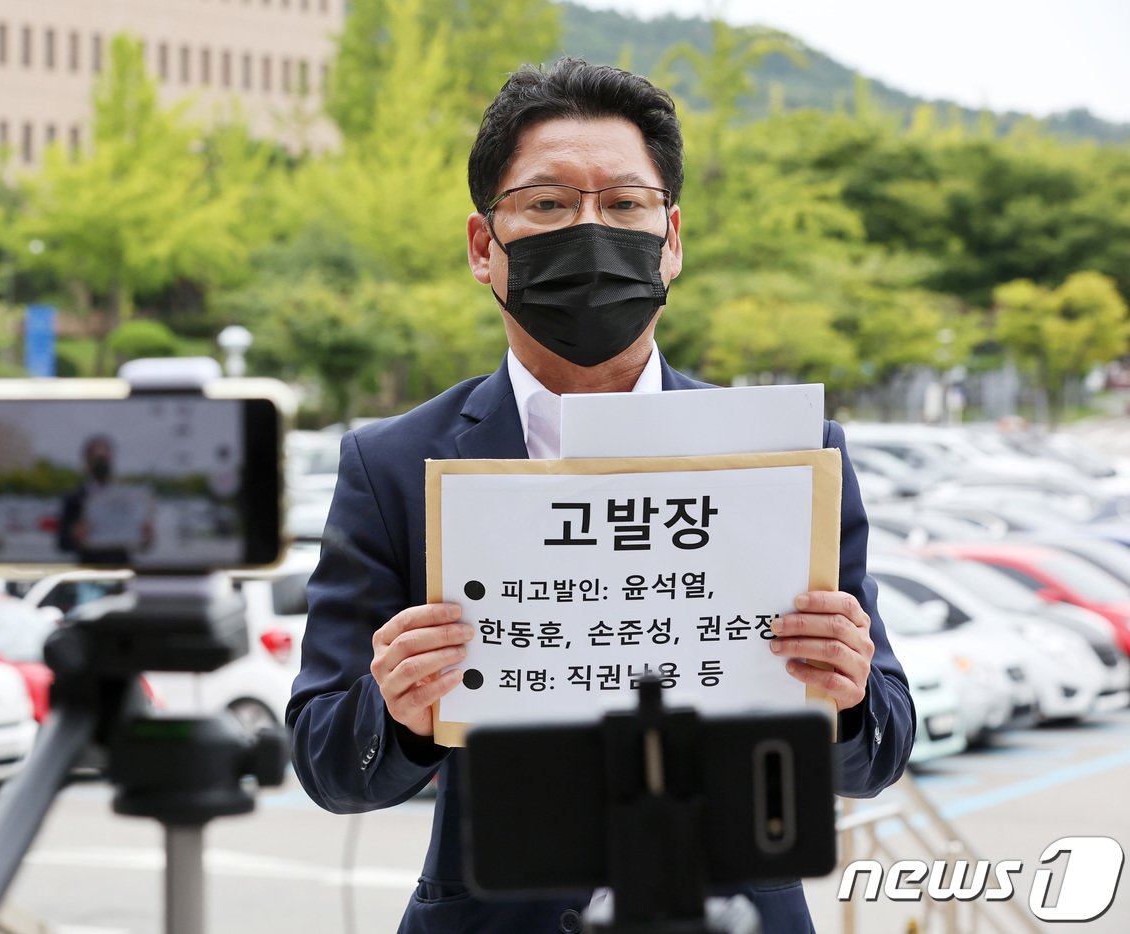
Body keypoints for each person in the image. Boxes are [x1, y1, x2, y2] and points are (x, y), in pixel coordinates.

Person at [287, 58, 914, 934]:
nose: (590, 232)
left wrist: (846, 694)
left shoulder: (786, 456)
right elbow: (327, 762)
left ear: (673, 238)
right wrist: (397, 715)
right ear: (483, 247)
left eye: (624, 205)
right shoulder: (393, 465)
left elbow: (878, 750)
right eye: (548, 204)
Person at [56, 434, 152, 564]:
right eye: (98, 459)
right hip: (89, 570)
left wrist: (146, 537)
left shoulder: (126, 498)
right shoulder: (74, 499)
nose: (102, 465)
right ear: (87, 462)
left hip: (120, 569)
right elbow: (62, 543)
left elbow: (141, 544)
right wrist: (75, 536)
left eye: (105, 459)